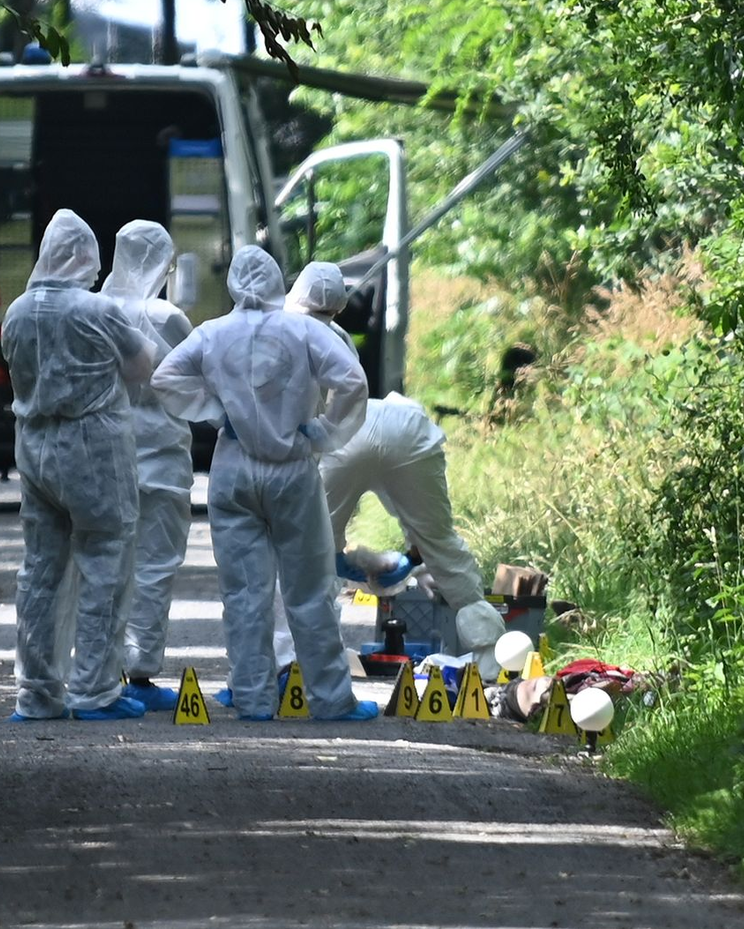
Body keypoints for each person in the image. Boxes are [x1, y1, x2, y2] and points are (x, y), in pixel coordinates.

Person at [151, 246, 378, 721]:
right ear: (279, 282)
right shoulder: (304, 331)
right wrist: (324, 432)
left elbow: (166, 377)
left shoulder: (212, 333)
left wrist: (215, 412)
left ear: (232, 283)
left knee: (244, 594)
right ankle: (332, 701)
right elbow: (352, 383)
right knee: (309, 590)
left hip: (233, 468)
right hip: (292, 468)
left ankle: (254, 699)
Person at [285, 262, 506, 681]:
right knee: (441, 540)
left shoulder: (281, 329)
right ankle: (490, 657)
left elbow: (315, 411)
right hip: (406, 428)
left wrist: (346, 561)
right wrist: (410, 558)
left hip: (342, 438)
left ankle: (315, 661)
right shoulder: (339, 334)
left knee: (313, 552)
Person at [1, 209, 156, 721]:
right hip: (93, 448)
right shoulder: (98, 310)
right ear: (80, 257)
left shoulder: (17, 312)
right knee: (105, 561)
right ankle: (94, 690)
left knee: (41, 571)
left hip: (34, 445)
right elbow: (140, 367)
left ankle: (37, 694)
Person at [100, 221, 195, 713]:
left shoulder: (95, 311)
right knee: (155, 565)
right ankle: (139, 672)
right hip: (162, 456)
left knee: (105, 563)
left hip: (107, 455)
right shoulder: (168, 315)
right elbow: (200, 371)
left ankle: (98, 666)